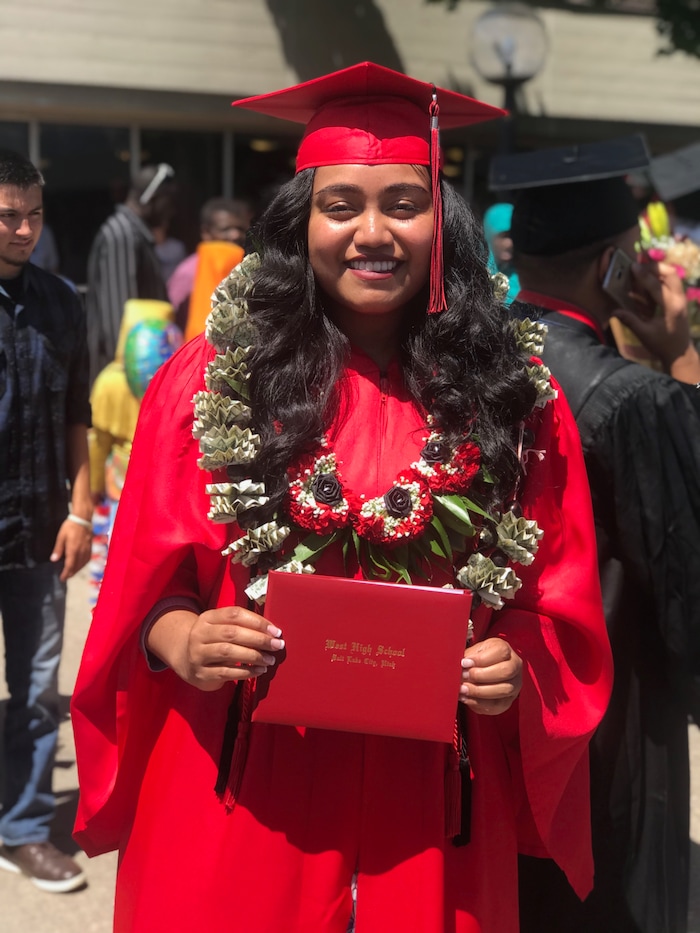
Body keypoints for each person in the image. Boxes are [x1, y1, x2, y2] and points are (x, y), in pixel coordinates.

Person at [71, 63, 612, 933]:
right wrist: (186, 638)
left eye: (403, 202)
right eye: (341, 205)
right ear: (300, 222)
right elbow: (143, 587)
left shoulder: (514, 400)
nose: (373, 232)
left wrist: (514, 664)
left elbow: (557, 603)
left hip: (431, 809)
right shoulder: (211, 380)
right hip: (243, 787)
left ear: (444, 221)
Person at [499, 137, 700, 933]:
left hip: (491, 698)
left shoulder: (467, 356)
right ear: (615, 264)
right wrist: (677, 351)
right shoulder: (634, 399)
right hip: (606, 721)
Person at [0, 149, 92, 892]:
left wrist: (82, 508)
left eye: (33, 215)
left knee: (36, 689)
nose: (24, 229)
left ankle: (25, 826)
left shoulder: (62, 300)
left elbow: (77, 414)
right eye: (8, 216)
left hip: (38, 529)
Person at [85, 163, 175, 384]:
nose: (171, 211)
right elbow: (120, 319)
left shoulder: (136, 234)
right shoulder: (121, 235)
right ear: (152, 198)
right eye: (168, 201)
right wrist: (131, 378)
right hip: (128, 378)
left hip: (140, 371)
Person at [167, 197, 253, 335]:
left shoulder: (249, 266)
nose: (235, 235)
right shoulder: (189, 271)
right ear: (206, 232)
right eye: (226, 229)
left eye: (240, 228)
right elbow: (170, 316)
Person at [483, 202, 520, 304]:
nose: (510, 243)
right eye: (504, 236)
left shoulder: (524, 280)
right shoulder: (475, 276)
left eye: (514, 236)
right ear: (490, 234)